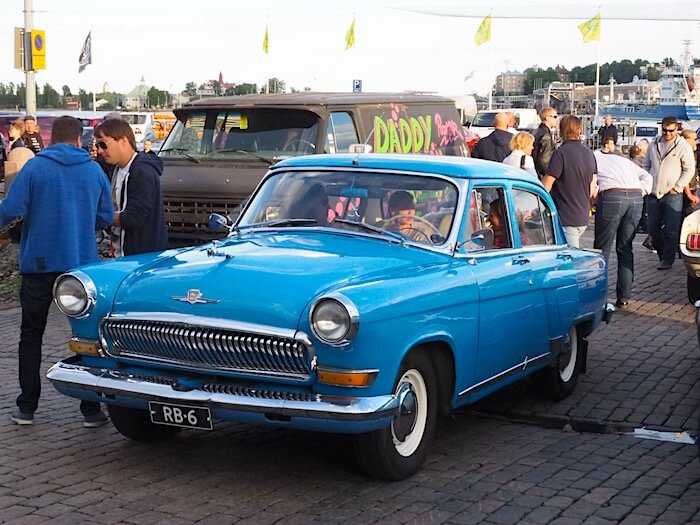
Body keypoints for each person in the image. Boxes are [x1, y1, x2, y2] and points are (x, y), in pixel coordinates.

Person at [0, 116, 114, 427]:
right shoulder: (93, 171)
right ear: (79, 139)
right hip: (80, 266)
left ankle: (27, 407)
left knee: (30, 334)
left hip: (38, 262)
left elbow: (10, 210)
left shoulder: (35, 168)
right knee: (86, 336)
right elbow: (105, 216)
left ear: (51, 140)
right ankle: (90, 410)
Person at [94, 118, 169, 257]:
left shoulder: (143, 172)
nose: (99, 151)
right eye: (97, 145)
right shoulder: (114, 168)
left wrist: (95, 214)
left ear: (123, 140)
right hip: (120, 256)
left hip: (141, 259)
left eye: (103, 144)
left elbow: (133, 218)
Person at [593, 137, 652, 308]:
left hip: (612, 195)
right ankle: (624, 297)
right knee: (625, 247)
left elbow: (591, 180)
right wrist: (642, 191)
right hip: (634, 196)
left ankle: (599, 297)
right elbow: (647, 176)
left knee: (602, 248)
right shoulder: (623, 160)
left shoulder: (594, 158)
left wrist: (594, 193)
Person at [643, 116, 695, 270]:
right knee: (652, 229)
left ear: (676, 130)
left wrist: (677, 187)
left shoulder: (683, 146)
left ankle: (668, 259)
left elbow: (689, 169)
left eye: (671, 131)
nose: (667, 134)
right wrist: (648, 183)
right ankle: (661, 254)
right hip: (653, 193)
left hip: (673, 194)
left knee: (671, 229)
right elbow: (646, 165)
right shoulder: (654, 143)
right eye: (665, 130)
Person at [542, 115, 598, 248]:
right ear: (579, 131)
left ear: (562, 131)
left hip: (566, 214)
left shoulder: (560, 153)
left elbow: (547, 184)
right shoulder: (589, 153)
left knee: (570, 258)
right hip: (582, 214)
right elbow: (592, 185)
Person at [532, 107, 557, 179]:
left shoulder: (536, 132)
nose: (556, 119)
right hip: (542, 177)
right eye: (555, 117)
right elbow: (544, 161)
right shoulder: (546, 136)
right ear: (547, 118)